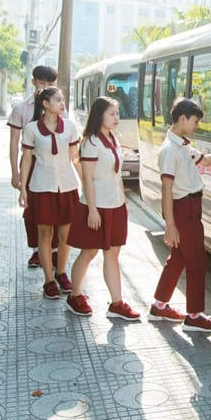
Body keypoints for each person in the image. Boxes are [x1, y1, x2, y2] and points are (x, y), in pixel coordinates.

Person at [149, 98, 211, 333]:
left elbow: (206, 161)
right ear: (183, 118)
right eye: (195, 121)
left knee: (178, 259)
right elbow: (166, 189)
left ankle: (159, 306)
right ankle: (194, 315)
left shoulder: (181, 145)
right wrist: (170, 225)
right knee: (197, 262)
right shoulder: (170, 150)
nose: (197, 125)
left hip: (189, 208)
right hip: (185, 210)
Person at [65, 97, 139, 320]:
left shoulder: (113, 138)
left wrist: (123, 202)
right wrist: (92, 210)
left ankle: (117, 303)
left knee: (113, 254)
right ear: (100, 115)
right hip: (96, 206)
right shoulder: (91, 142)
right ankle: (75, 295)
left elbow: (116, 175)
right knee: (89, 252)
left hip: (115, 205)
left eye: (117, 113)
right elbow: (87, 178)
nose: (117, 118)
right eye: (112, 114)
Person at [18, 86, 81, 299]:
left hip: (67, 186)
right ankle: (49, 280)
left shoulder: (70, 127)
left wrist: (88, 185)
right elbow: (27, 159)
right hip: (41, 187)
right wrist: (23, 188)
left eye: (63, 100)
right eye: (58, 100)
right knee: (45, 234)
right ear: (45, 104)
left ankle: (61, 272)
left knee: (66, 235)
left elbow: (75, 158)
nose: (62, 104)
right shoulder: (32, 129)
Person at [7, 65, 59, 268]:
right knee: (31, 207)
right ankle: (36, 249)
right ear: (33, 82)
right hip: (31, 161)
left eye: (50, 83)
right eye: (41, 82)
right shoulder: (22, 108)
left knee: (54, 205)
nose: (45, 87)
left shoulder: (59, 107)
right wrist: (15, 173)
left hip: (54, 163)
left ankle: (54, 250)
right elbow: (14, 142)